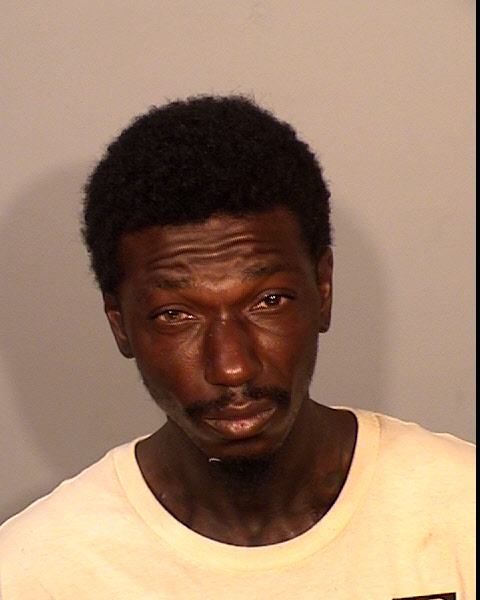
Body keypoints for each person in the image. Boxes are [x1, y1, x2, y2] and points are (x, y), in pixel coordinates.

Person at [0, 95, 475, 599]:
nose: (232, 368)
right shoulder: (37, 571)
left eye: (268, 301)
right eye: (175, 315)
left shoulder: (462, 510)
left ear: (323, 290)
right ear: (120, 325)